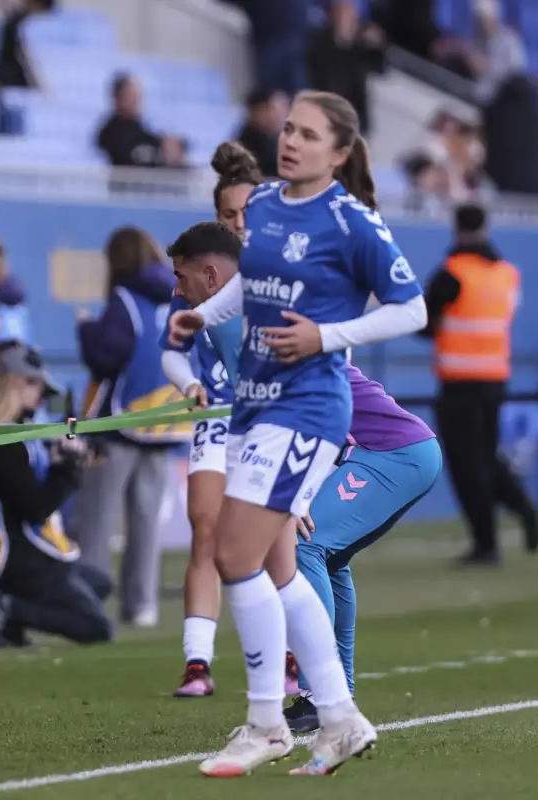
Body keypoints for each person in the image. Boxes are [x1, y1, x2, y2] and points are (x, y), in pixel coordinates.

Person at [167, 90, 427, 776]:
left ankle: (266, 722)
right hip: (256, 403)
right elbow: (252, 283)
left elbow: (412, 309)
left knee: (233, 551)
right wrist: (203, 314)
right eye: (288, 129)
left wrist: (324, 336)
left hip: (307, 405)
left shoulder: (353, 221)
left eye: (309, 135)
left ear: (339, 153)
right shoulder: (271, 205)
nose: (291, 142)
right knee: (280, 567)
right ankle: (339, 718)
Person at [283, 363, 442, 732]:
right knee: (331, 558)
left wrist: (302, 495)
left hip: (391, 453)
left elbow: (327, 427)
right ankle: (338, 695)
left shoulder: (291, 348)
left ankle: (321, 696)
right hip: (404, 451)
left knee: (305, 545)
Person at [159, 142, 260, 696]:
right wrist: (191, 383)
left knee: (274, 538)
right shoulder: (198, 273)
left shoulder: (278, 273)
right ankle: (198, 663)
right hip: (218, 415)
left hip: (273, 417)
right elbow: (172, 346)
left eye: (248, 213)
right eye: (229, 215)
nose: (240, 223)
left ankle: (288, 660)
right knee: (206, 530)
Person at [0, 343, 113, 647]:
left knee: (100, 584)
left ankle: (9, 616)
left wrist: (72, 457)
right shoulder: (6, 442)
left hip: (12, 553)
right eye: (33, 384)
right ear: (13, 383)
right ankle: (7, 609)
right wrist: (67, 470)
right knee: (97, 627)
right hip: (17, 559)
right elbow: (35, 508)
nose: (40, 395)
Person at [73, 226, 186, 628]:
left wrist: (86, 328)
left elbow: (107, 356)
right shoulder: (176, 297)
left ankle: (87, 598)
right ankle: (141, 604)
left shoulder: (124, 298)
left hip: (119, 425)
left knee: (98, 521)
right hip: (165, 424)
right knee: (146, 523)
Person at [418, 203, 538, 564]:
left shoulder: (451, 273)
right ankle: (522, 506)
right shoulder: (507, 274)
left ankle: (487, 545)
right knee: (485, 458)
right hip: (495, 380)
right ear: (486, 227)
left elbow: (425, 323)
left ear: (456, 229)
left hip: (459, 383)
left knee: (467, 466)